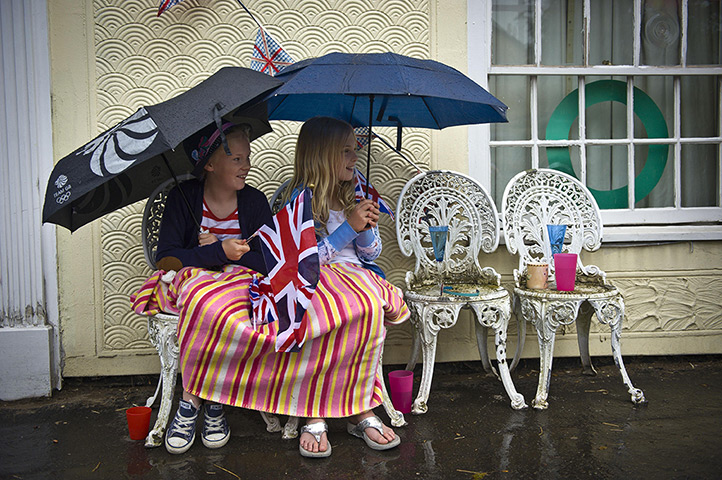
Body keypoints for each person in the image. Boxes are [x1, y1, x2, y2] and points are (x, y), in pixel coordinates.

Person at [284, 116, 401, 457]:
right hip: (317, 279)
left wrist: (364, 227)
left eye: (355, 150)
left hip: (357, 276)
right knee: (321, 313)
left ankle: (360, 408)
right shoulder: (300, 200)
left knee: (367, 308)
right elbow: (306, 259)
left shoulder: (357, 192)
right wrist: (348, 227)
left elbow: (372, 253)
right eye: (346, 151)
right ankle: (314, 412)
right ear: (321, 156)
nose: (354, 157)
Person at [156, 121, 272, 454]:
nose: (246, 166)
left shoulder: (254, 202)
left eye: (247, 158)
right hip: (193, 288)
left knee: (224, 303)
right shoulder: (183, 198)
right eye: (237, 159)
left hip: (238, 289)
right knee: (202, 297)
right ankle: (204, 399)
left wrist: (226, 249)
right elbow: (166, 260)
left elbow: (270, 261)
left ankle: (197, 398)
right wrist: (215, 253)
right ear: (209, 164)